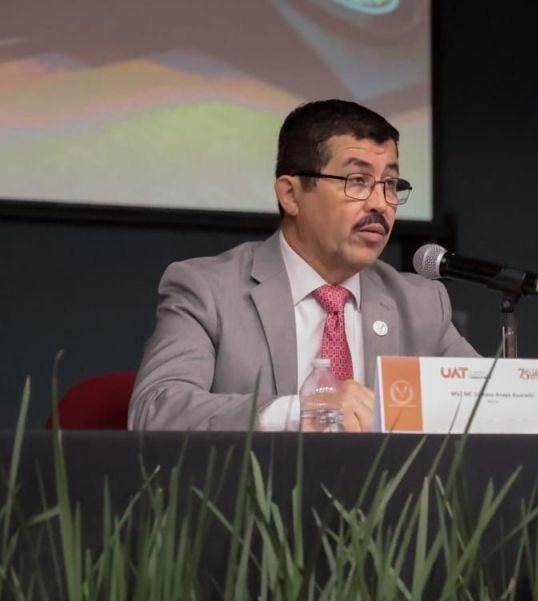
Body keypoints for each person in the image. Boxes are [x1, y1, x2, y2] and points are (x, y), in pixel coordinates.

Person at [129, 100, 477, 432]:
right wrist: (306, 412)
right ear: (291, 195)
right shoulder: (209, 291)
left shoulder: (420, 303)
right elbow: (156, 410)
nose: (380, 203)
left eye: (389, 184)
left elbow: (488, 408)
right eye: (357, 181)